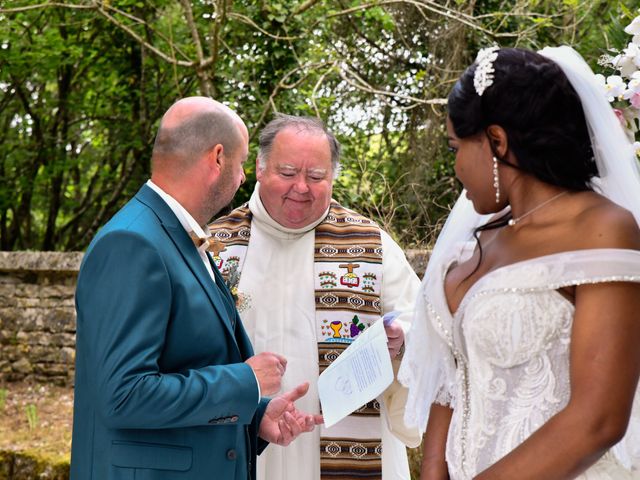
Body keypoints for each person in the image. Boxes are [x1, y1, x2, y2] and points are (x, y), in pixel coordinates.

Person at [398, 46, 640, 480]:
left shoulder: (603, 230)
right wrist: (433, 468)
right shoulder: (476, 244)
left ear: (497, 140)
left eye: (457, 147)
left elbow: (598, 419)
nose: (455, 167)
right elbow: (451, 380)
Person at [70, 97, 322, 480]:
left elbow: (184, 365)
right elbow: (123, 394)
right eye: (239, 165)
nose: (241, 179)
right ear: (217, 158)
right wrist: (246, 381)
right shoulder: (132, 243)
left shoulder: (176, 236)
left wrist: (253, 415)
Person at [208, 114, 422, 480]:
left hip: (353, 448)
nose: (301, 188)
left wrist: (402, 339)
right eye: (288, 172)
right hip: (246, 441)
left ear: (333, 177)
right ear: (259, 167)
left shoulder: (372, 246)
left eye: (316, 176)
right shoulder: (214, 247)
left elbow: (423, 325)